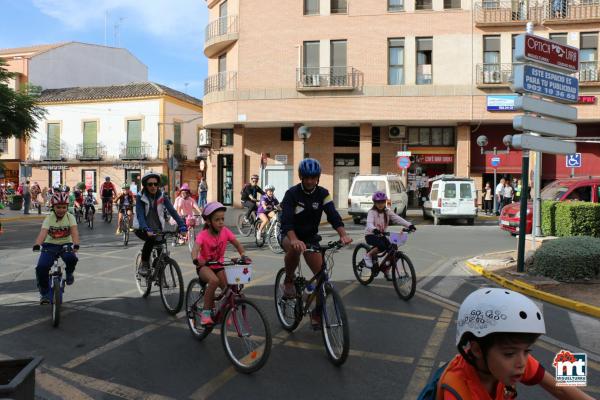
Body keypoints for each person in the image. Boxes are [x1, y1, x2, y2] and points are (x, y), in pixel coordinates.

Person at [437, 288, 593, 400]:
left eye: (527, 351)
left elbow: (562, 391)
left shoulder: (512, 361)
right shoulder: (457, 391)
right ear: (477, 349)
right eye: (509, 354)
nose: (522, 363)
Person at [280, 158, 352, 328]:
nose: (310, 181)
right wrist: (294, 239)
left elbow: (333, 215)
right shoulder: (291, 194)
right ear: (301, 177)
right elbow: (287, 222)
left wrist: (343, 235)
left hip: (311, 237)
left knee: (322, 277)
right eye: (307, 178)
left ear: (318, 178)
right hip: (290, 235)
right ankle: (289, 280)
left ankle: (317, 312)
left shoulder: (323, 194)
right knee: (294, 249)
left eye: (314, 178)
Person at [191, 202, 249, 326]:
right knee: (213, 281)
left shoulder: (225, 231)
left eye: (222, 219)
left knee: (228, 290)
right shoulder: (203, 235)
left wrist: (243, 255)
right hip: (204, 266)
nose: (221, 222)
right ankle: (206, 314)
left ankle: (222, 313)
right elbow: (195, 249)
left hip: (218, 265)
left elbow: (237, 244)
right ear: (208, 221)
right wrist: (196, 259)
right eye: (217, 220)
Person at [133, 172, 187, 277]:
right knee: (151, 239)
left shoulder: (162, 196)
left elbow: (172, 211)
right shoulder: (140, 196)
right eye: (150, 184)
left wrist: (182, 225)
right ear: (145, 185)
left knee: (161, 247)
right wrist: (146, 228)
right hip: (141, 227)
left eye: (155, 184)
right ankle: (144, 264)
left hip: (157, 228)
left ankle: (158, 272)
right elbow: (140, 214)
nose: (153, 186)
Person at [32, 192, 80, 304]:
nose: (61, 210)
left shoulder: (70, 217)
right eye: (58, 207)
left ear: (67, 207)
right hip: (49, 245)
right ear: (53, 207)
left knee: (72, 258)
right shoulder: (49, 218)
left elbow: (74, 232)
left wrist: (76, 244)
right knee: (41, 268)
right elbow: (43, 233)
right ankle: (44, 294)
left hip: (65, 244)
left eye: (64, 207)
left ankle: (69, 273)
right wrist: (37, 244)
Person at [363, 191, 415, 274]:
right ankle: (368, 255)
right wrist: (374, 229)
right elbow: (369, 223)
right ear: (374, 203)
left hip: (381, 235)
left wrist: (409, 225)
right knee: (382, 246)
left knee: (393, 249)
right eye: (378, 202)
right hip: (371, 235)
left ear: (385, 202)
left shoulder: (387, 211)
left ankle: (386, 268)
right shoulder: (372, 212)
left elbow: (397, 218)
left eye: (383, 202)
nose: (380, 204)